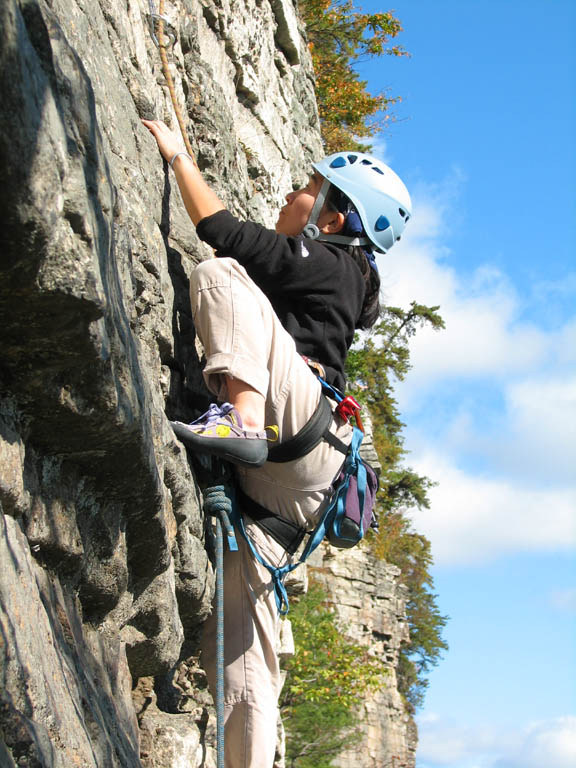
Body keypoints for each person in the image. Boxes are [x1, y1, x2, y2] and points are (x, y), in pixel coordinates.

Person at [142, 118, 412, 768]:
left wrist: (179, 157)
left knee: (220, 274)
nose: (292, 193)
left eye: (306, 187)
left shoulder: (334, 263)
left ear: (334, 216)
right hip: (292, 496)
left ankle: (242, 417)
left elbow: (227, 236)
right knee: (245, 649)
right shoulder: (333, 274)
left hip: (299, 434)